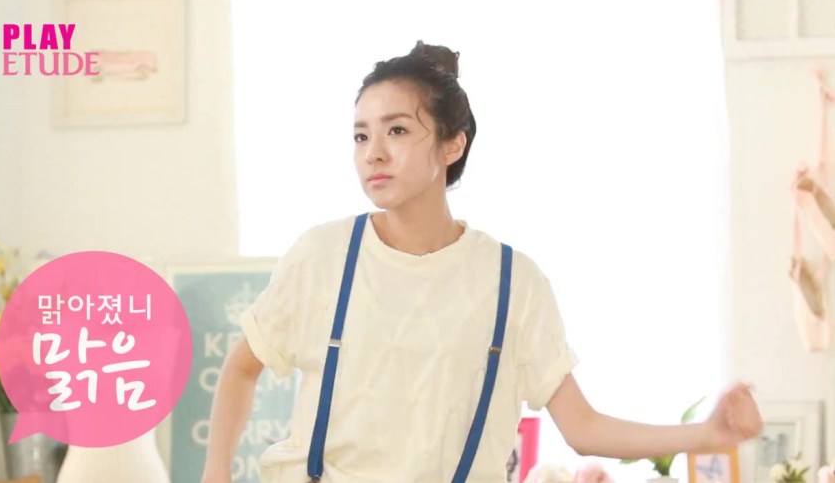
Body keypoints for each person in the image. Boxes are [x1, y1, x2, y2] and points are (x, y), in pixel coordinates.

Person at [201, 40, 763, 483]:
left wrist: (707, 435)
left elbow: (582, 428)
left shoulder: (512, 282)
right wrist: (216, 473)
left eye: (397, 130)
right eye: (360, 135)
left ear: (453, 144)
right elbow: (243, 366)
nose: (374, 152)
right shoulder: (322, 256)